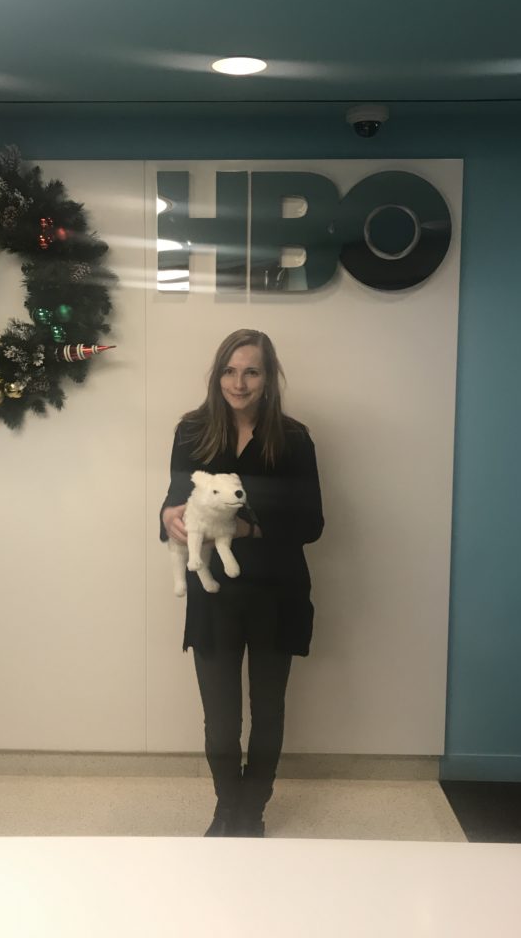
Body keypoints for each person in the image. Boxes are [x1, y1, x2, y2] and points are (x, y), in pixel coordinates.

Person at [160, 328, 324, 837]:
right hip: (215, 595)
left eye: (251, 371)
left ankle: (253, 810)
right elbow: (174, 499)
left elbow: (313, 524)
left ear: (268, 378)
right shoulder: (191, 431)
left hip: (277, 592)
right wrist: (168, 518)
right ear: (217, 376)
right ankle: (226, 805)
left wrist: (248, 530)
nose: (239, 382)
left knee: (268, 710)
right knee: (221, 717)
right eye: (229, 371)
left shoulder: (294, 439)